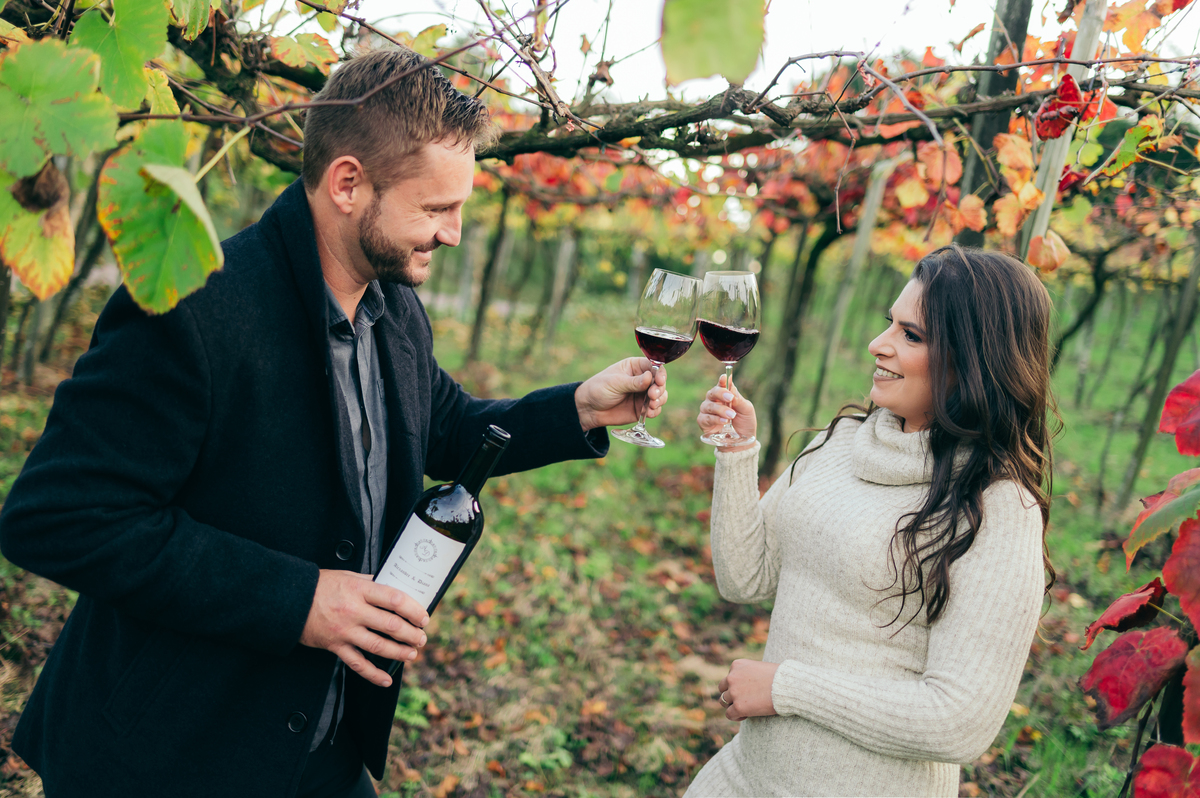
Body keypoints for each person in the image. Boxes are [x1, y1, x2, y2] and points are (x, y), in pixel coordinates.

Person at [0, 47, 669, 798]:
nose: (453, 233)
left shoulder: (394, 308)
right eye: (436, 209)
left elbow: (442, 426)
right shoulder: (195, 309)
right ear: (348, 183)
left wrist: (578, 408)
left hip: (321, 746)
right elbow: (58, 517)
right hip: (173, 752)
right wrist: (302, 601)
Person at [687, 245, 1055, 797]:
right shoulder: (841, 441)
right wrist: (737, 453)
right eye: (890, 322)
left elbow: (960, 721)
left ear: (973, 359)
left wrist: (788, 688)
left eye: (912, 335)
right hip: (746, 777)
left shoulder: (998, 507)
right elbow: (746, 577)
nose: (877, 344)